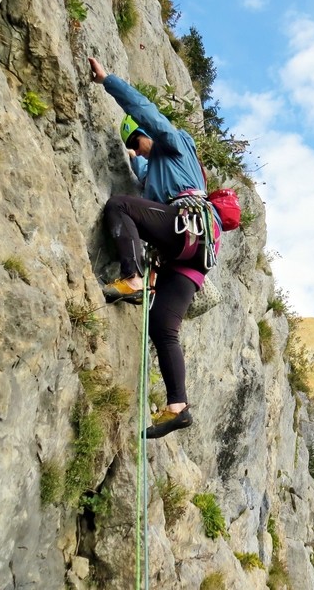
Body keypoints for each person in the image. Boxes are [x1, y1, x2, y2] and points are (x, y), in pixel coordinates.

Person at [88, 57, 221, 439]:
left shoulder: (175, 142)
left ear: (149, 133)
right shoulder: (156, 167)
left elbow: (145, 111)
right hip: (194, 257)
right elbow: (146, 176)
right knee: (163, 328)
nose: (139, 149)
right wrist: (133, 158)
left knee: (119, 205)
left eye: (137, 141)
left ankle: (130, 277)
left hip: (185, 228)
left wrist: (108, 81)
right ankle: (178, 406)